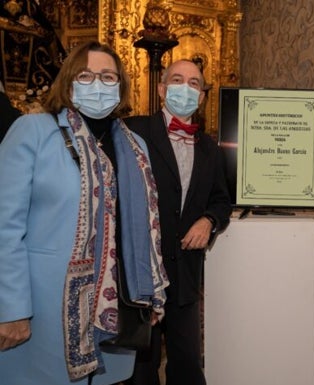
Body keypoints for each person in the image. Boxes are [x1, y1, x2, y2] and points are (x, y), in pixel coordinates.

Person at [0, 41, 169, 385]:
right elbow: (4, 226)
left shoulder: (136, 147)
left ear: (120, 85)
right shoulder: (33, 132)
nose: (98, 84)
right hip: (44, 310)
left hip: (116, 311)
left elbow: (143, 228)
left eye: (108, 76)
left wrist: (147, 291)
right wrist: (11, 308)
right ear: (68, 81)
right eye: (86, 75)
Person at [125, 59, 232, 385]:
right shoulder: (133, 131)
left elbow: (221, 200)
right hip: (141, 276)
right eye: (177, 80)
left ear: (201, 97)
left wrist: (208, 221)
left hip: (185, 275)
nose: (185, 88)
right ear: (161, 89)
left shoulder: (210, 148)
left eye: (194, 83)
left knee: (187, 366)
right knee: (141, 369)